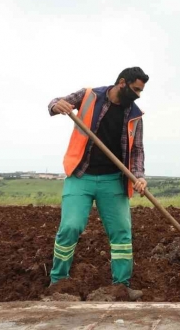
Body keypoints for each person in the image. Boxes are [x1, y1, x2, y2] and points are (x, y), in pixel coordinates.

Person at [47, 67, 149, 295]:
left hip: (114, 180)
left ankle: (122, 286)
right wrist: (57, 105)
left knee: (121, 233)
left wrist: (139, 176)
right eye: (135, 89)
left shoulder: (135, 114)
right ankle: (58, 283)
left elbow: (138, 150)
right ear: (122, 83)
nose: (138, 95)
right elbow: (55, 103)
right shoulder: (89, 96)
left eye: (141, 91)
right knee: (70, 227)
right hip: (80, 176)